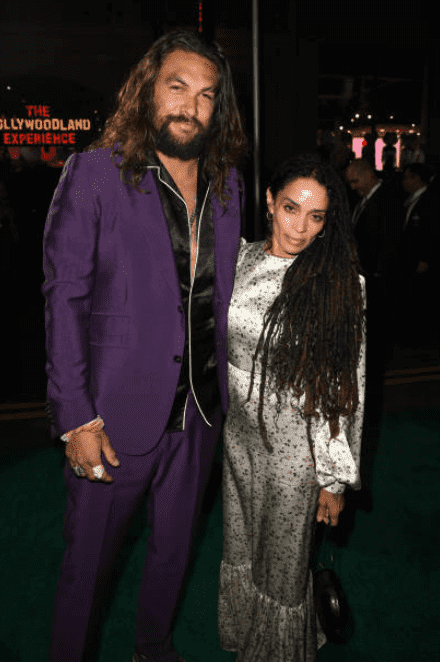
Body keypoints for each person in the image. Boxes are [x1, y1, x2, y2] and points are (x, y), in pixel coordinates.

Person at [42, 29, 247, 662]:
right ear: (147, 91)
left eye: (206, 95)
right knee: (87, 569)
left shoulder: (230, 183)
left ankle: (152, 650)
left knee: (173, 553)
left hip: (202, 414)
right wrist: (75, 415)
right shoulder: (97, 172)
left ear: (219, 107)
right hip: (112, 417)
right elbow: (63, 297)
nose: (191, 106)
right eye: (177, 87)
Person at [218, 153, 366, 662]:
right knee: (241, 546)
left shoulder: (340, 285)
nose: (301, 228)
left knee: (282, 569)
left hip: (295, 454)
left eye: (317, 217)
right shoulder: (237, 260)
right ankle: (246, 638)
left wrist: (332, 477)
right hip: (237, 439)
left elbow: (345, 388)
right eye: (290, 209)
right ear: (268, 202)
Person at [399, 163, 440, 348]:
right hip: (410, 259)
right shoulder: (412, 199)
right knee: (412, 297)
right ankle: (412, 335)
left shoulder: (430, 200)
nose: (403, 182)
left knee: (421, 300)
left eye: (407, 177)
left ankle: (419, 338)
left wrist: (426, 258)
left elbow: (433, 231)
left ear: (416, 179)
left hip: (421, 262)